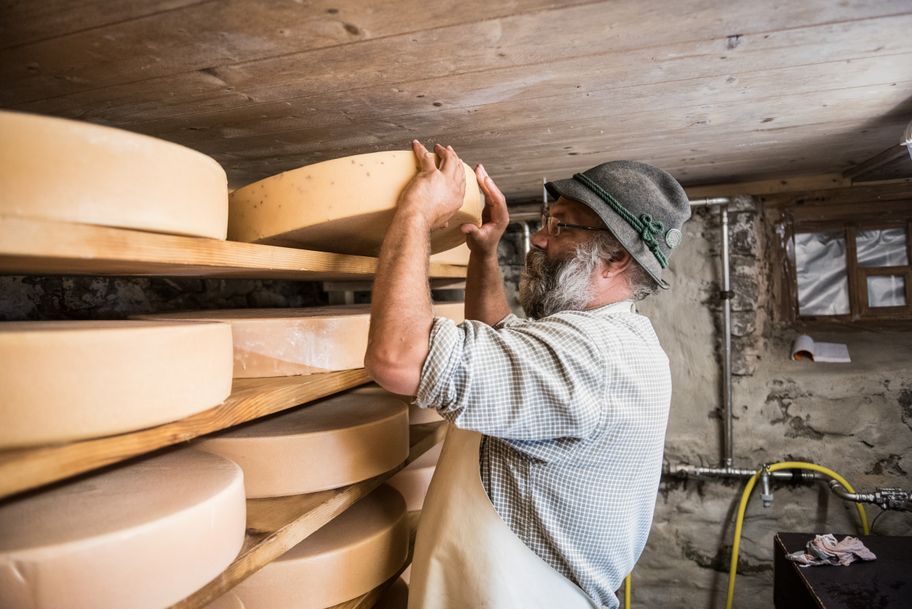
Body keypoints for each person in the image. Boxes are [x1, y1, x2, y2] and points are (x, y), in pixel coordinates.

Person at [365, 141, 691, 609]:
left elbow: (397, 357)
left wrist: (415, 213)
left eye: (560, 226)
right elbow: (503, 341)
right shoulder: (613, 341)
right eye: (546, 221)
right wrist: (483, 255)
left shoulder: (591, 357)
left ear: (616, 258)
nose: (538, 239)